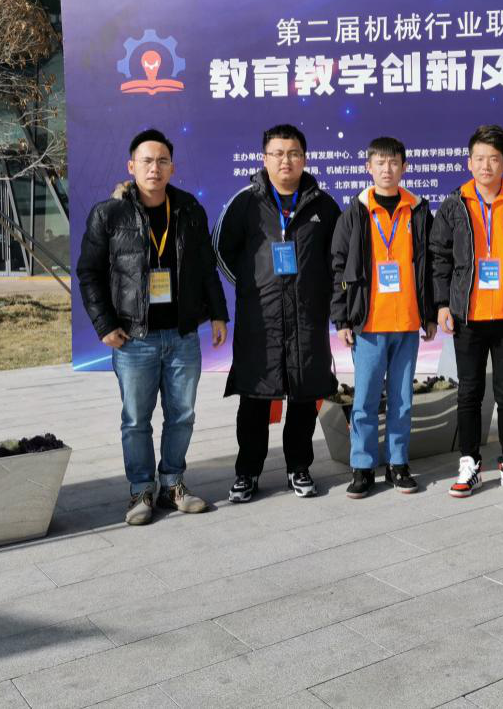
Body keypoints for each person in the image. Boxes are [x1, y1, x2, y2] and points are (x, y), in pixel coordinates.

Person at [77, 128, 228, 526]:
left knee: (182, 415)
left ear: (172, 167)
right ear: (131, 166)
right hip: (133, 338)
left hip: (182, 335)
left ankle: (172, 484)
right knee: (136, 419)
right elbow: (89, 273)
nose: (154, 168)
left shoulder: (189, 209)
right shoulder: (109, 214)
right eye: (146, 161)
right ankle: (141, 489)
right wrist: (104, 323)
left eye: (162, 161)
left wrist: (218, 313)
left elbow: (206, 266)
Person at [214, 124, 341, 502]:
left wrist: (321, 295)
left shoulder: (323, 205)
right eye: (278, 153)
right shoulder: (245, 202)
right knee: (255, 398)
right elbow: (221, 249)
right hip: (261, 319)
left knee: (304, 396)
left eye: (294, 153)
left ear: (305, 158)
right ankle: (247, 472)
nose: (286, 160)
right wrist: (252, 288)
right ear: (264, 158)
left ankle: (298, 467)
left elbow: (337, 259)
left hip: (307, 318)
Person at [429, 124, 503, 498]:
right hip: (468, 315)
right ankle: (469, 462)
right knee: (469, 392)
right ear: (469, 162)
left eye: (493, 159)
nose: (485, 166)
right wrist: (442, 304)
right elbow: (439, 258)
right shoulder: (454, 205)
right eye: (479, 159)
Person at [331, 137, 436, 498]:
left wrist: (430, 314)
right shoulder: (355, 213)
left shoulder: (418, 211)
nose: (387, 169)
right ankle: (362, 467)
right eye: (380, 162)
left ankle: (397, 464)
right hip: (369, 324)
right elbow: (338, 267)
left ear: (404, 167)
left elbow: (429, 266)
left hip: (407, 322)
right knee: (364, 400)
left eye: (393, 163)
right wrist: (342, 319)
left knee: (402, 400)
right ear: (369, 168)